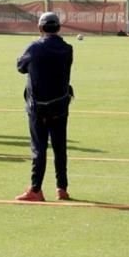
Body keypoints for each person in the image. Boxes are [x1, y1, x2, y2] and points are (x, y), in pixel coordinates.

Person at [15, 12, 74, 202]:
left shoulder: (34, 47)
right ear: (58, 27)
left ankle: (36, 188)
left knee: (38, 147)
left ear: (40, 28)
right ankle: (61, 187)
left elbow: (20, 67)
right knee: (60, 147)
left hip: (38, 106)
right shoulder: (67, 49)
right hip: (60, 104)